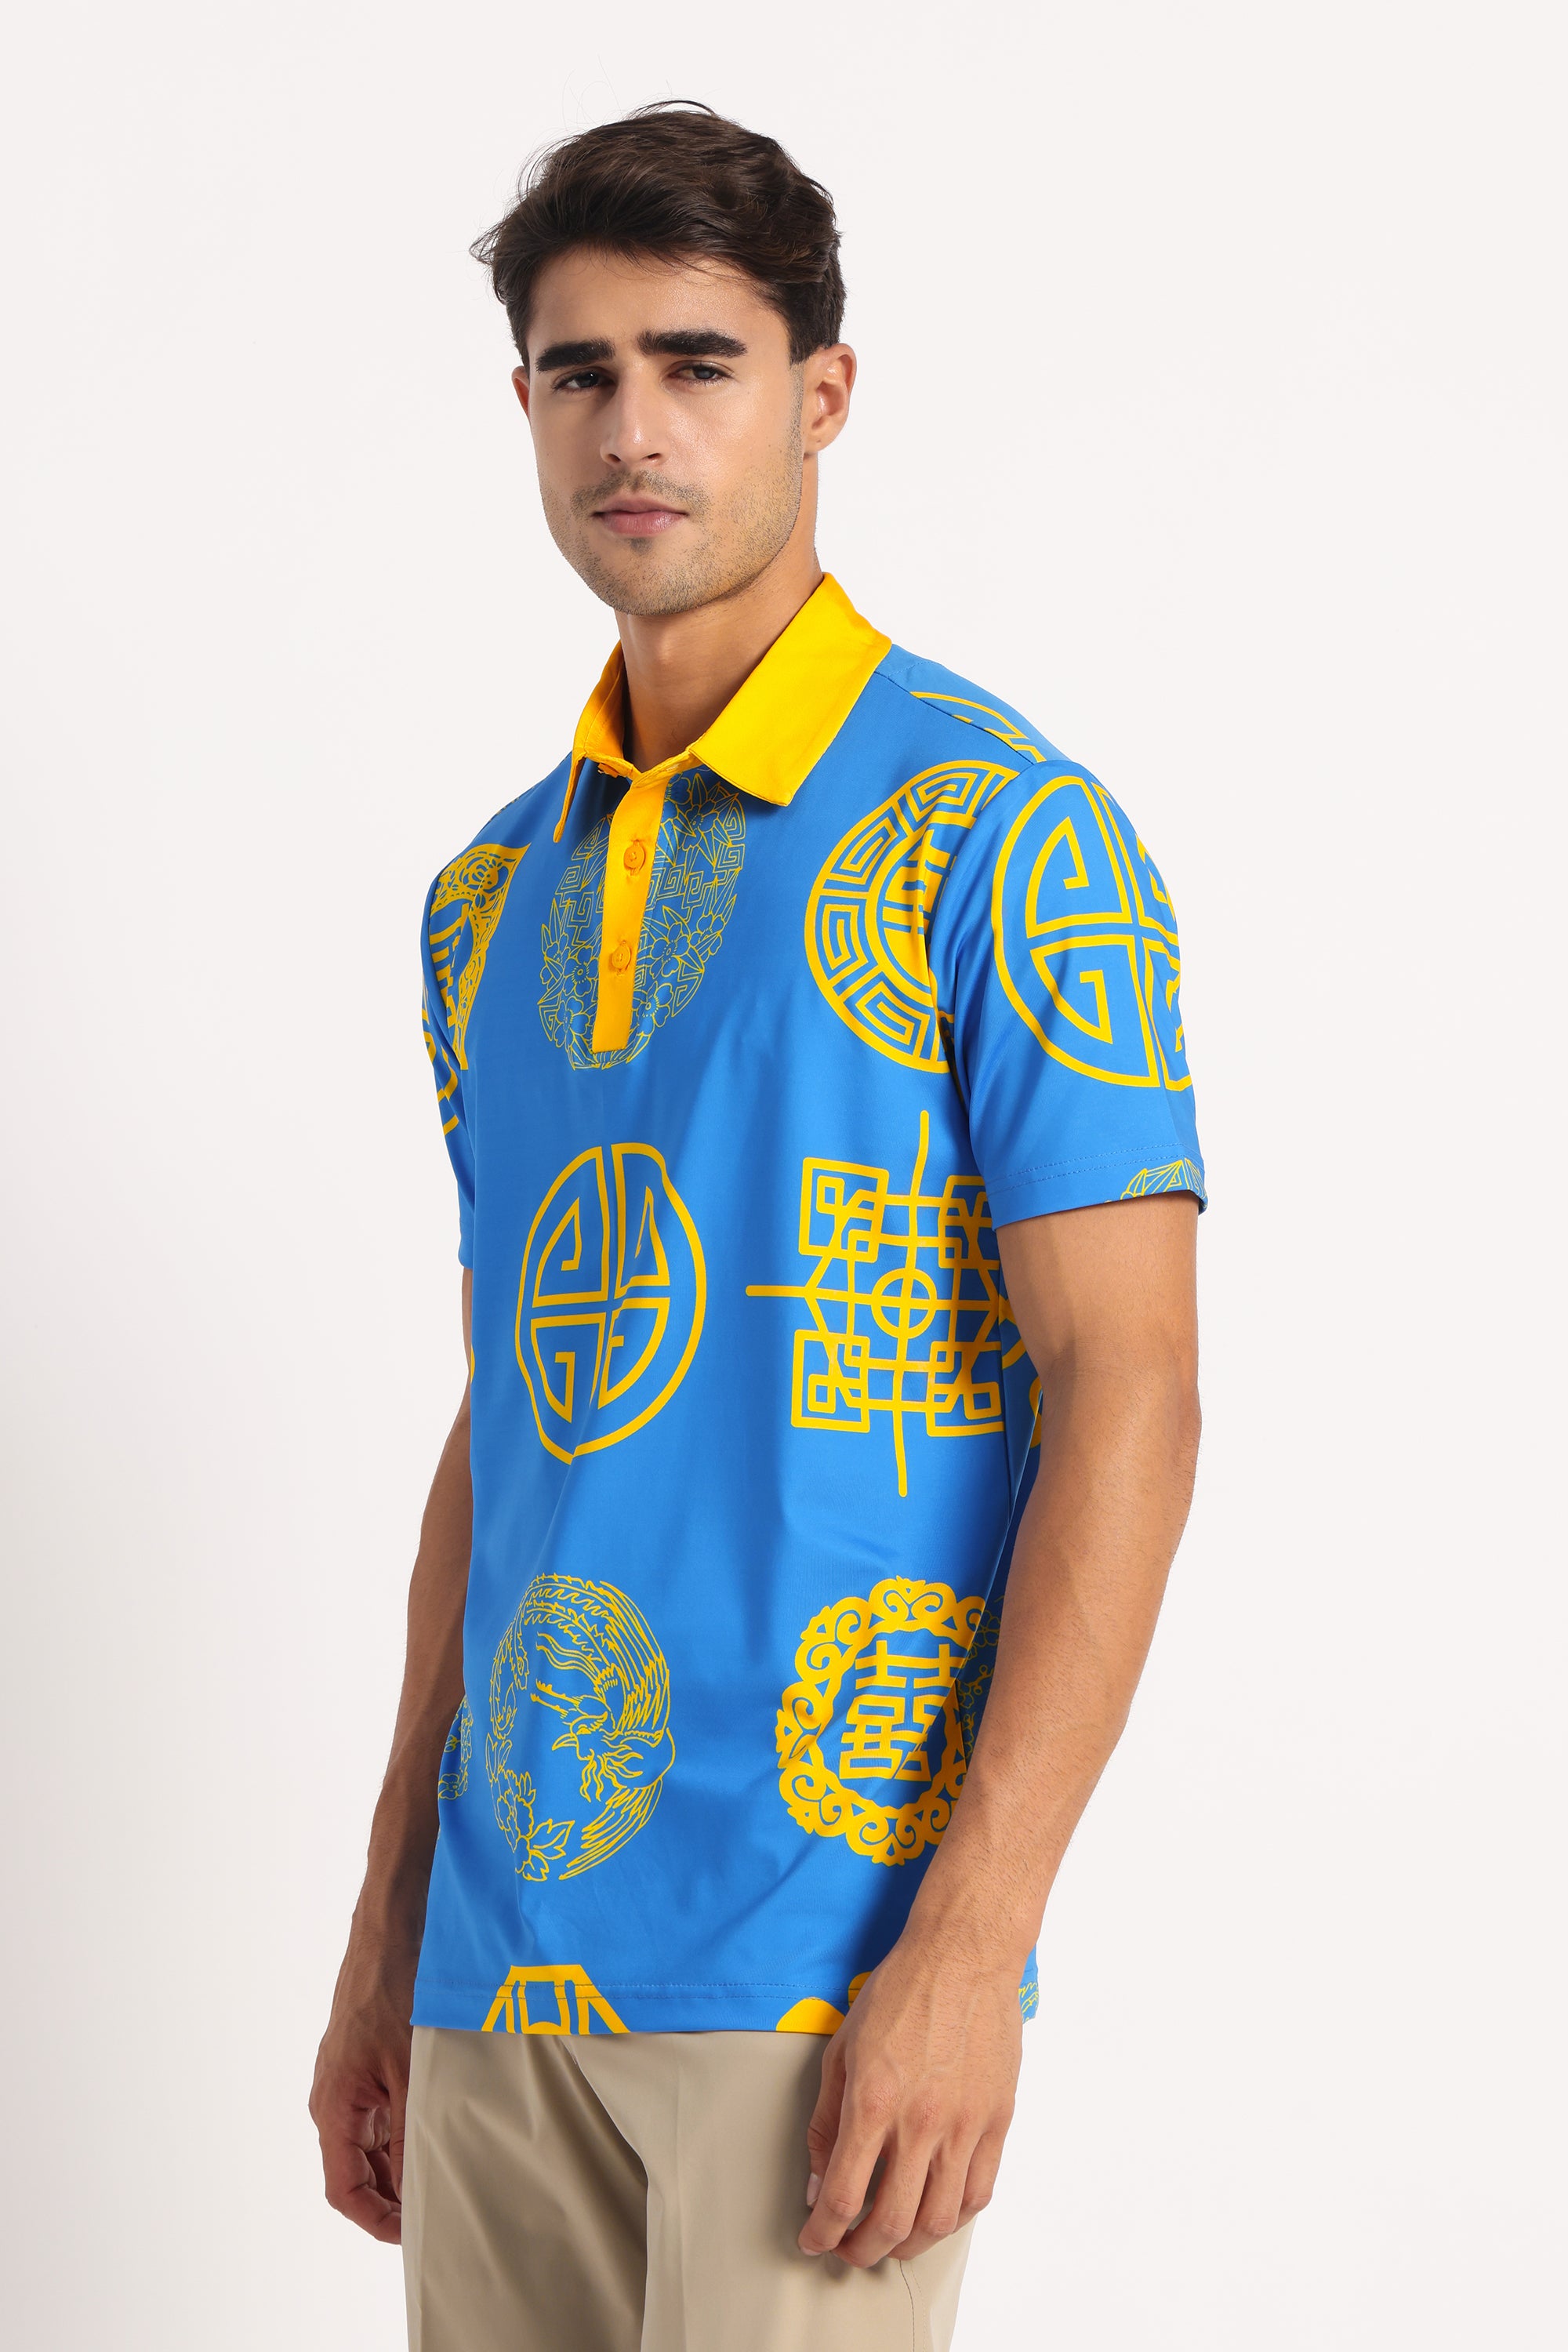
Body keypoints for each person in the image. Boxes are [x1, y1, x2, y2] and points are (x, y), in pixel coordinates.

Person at [310, 99, 1204, 2352]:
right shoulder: (486, 898)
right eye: (580, 371)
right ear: (525, 405)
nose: (634, 427)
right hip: (501, 1967)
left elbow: (1133, 1387)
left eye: (697, 363)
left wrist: (973, 1944)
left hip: (817, 1967)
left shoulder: (1000, 837)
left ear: (823, 393)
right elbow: (511, 1417)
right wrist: (389, 1921)